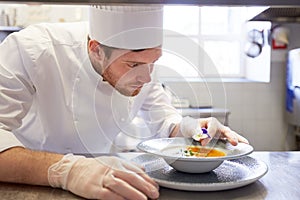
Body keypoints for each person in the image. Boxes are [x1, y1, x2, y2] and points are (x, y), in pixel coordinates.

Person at [0, 5, 248, 200]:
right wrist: (66, 171)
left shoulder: (144, 68)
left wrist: (192, 129)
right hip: (30, 185)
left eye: (154, 61)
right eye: (134, 65)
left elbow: (164, 121)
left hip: (103, 185)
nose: (147, 76)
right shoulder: (32, 50)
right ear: (95, 49)